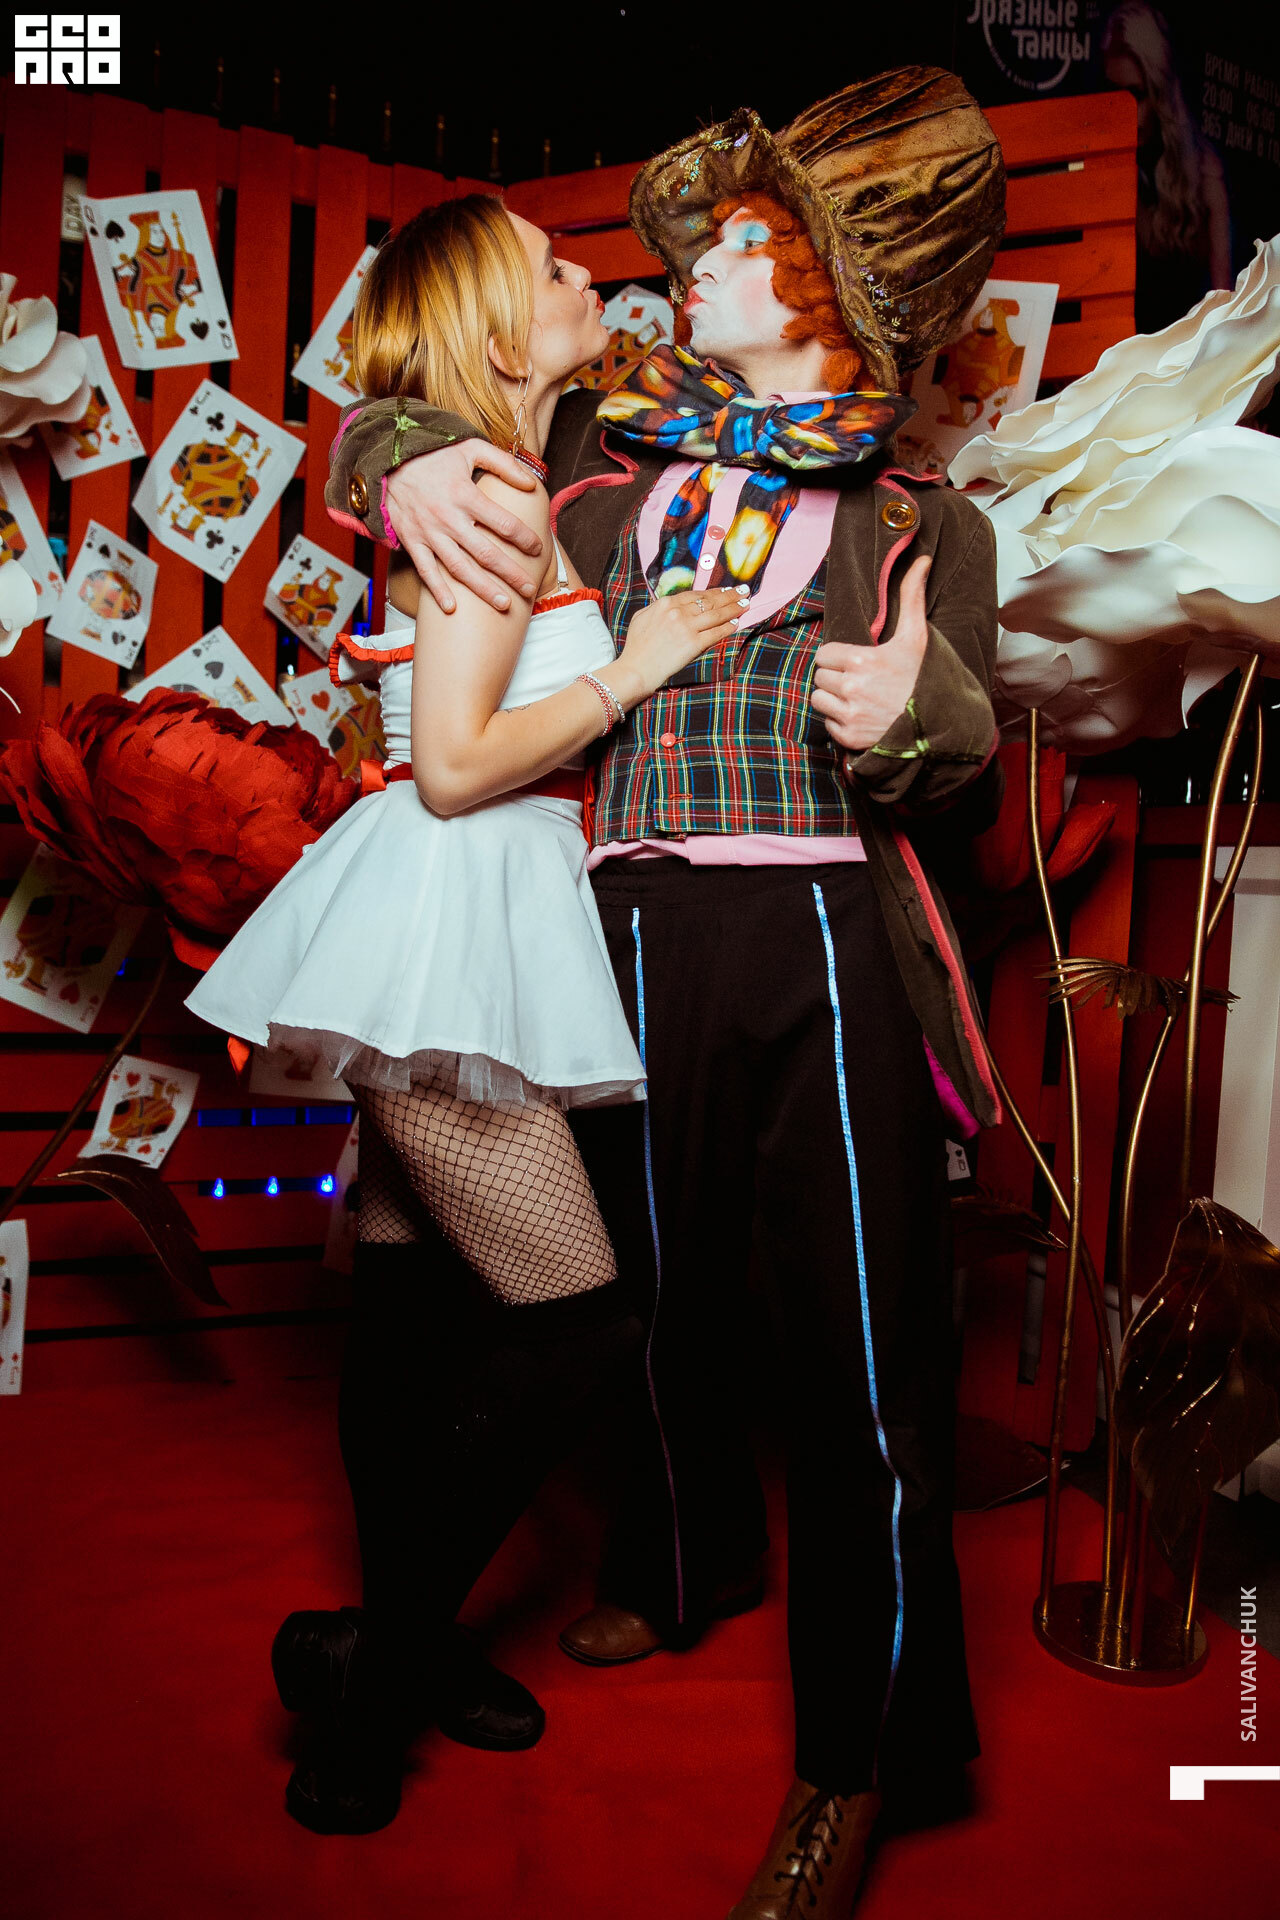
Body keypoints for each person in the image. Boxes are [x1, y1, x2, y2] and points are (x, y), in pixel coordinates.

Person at [328, 67, 1005, 1915]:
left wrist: (918, 716)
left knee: (865, 1362)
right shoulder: (601, 456)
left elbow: (970, 751)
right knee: (644, 1297)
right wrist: (401, 459)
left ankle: (860, 1757)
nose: (690, 260)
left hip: (825, 934)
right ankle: (681, 1561)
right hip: (616, 931)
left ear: (829, 290)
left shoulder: (930, 519)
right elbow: (398, 407)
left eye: (745, 240)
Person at [185, 193, 746, 1834]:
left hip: (463, 921)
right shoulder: (488, 484)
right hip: (451, 912)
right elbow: (448, 767)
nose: (594, 277)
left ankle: (392, 1653)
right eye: (557, 268)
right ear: (499, 327)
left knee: (420, 1315)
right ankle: (381, 1672)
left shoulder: (487, 464)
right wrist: (637, 667)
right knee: (577, 1324)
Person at [1102, 0, 1232, 332]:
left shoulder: (1204, 171)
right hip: (1111, 351)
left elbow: (1223, 302)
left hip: (1189, 353)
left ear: (1159, 90)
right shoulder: (1101, 169)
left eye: (1137, 95)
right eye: (1115, 96)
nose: (1126, 113)